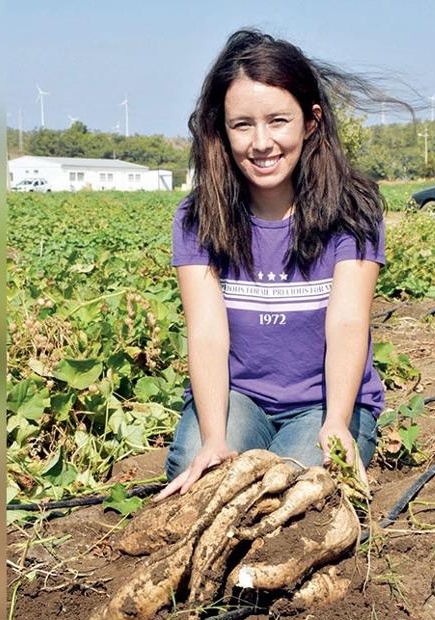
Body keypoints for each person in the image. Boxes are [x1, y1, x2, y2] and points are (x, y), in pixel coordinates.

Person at [155, 29, 393, 502]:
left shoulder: (354, 209)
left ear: (310, 122)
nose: (261, 143)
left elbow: (348, 321)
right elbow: (206, 330)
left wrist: (337, 425)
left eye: (278, 120)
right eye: (242, 125)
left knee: (291, 486)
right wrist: (214, 440)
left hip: (324, 401)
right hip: (240, 396)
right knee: (197, 470)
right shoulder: (199, 215)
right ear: (220, 129)